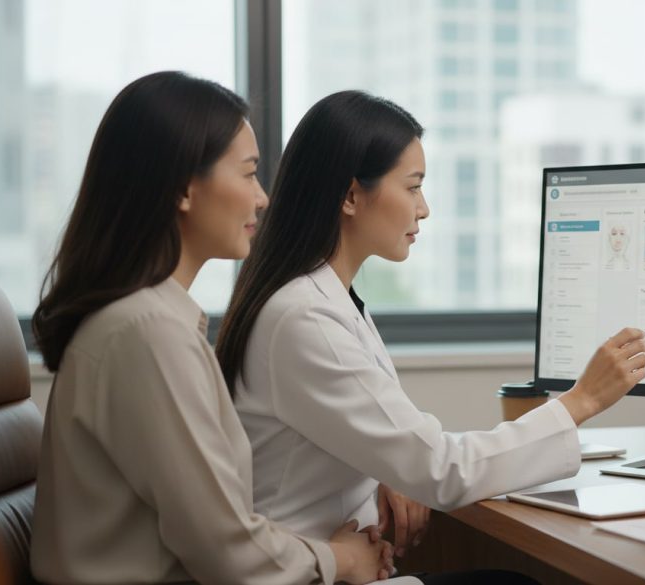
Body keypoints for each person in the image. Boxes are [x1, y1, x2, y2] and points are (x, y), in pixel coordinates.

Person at [215, 90, 645, 580]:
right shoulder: (305, 317)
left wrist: (387, 470)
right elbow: (442, 469)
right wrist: (582, 400)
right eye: (413, 187)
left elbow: (392, 443)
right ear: (351, 196)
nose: (423, 209)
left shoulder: (322, 300)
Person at [30, 73, 391, 585]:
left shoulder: (143, 323)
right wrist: (341, 560)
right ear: (184, 188)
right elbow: (228, 551)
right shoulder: (147, 333)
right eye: (248, 174)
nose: (262, 198)